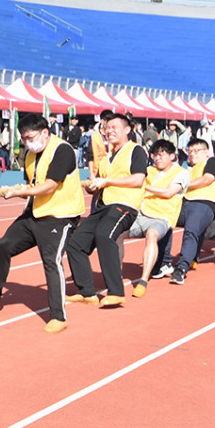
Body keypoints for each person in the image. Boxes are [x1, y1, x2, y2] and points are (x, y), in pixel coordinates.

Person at [0, 115, 83, 331]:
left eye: (30, 137)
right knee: (2, 247)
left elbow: (50, 185)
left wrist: (23, 192)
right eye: (24, 139)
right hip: (34, 212)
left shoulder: (62, 150)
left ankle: (58, 316)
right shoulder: (30, 154)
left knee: (51, 261)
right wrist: (22, 191)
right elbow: (33, 183)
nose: (27, 142)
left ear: (45, 133)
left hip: (59, 215)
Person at [65, 113, 146, 306]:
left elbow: (138, 179)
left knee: (104, 235)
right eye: (107, 128)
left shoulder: (136, 150)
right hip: (103, 207)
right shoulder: (105, 159)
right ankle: (86, 292)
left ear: (127, 130)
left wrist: (108, 181)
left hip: (125, 205)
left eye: (114, 127)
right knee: (75, 243)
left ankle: (116, 292)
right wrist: (93, 187)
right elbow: (101, 187)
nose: (109, 131)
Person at [125, 139, 188, 296]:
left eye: (162, 155)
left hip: (161, 217)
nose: (158, 158)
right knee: (114, 233)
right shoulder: (149, 170)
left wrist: (143, 186)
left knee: (151, 234)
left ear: (172, 156)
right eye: (155, 155)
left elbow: (168, 192)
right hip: (140, 213)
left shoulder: (181, 173)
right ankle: (113, 273)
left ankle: (143, 280)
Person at [166, 137, 215, 284]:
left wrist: (182, 185)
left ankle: (181, 268)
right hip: (184, 204)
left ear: (206, 152)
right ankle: (164, 261)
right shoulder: (186, 168)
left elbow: (207, 179)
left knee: (191, 230)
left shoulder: (212, 162)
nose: (193, 154)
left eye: (197, 150)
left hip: (203, 203)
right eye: (190, 151)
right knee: (163, 221)